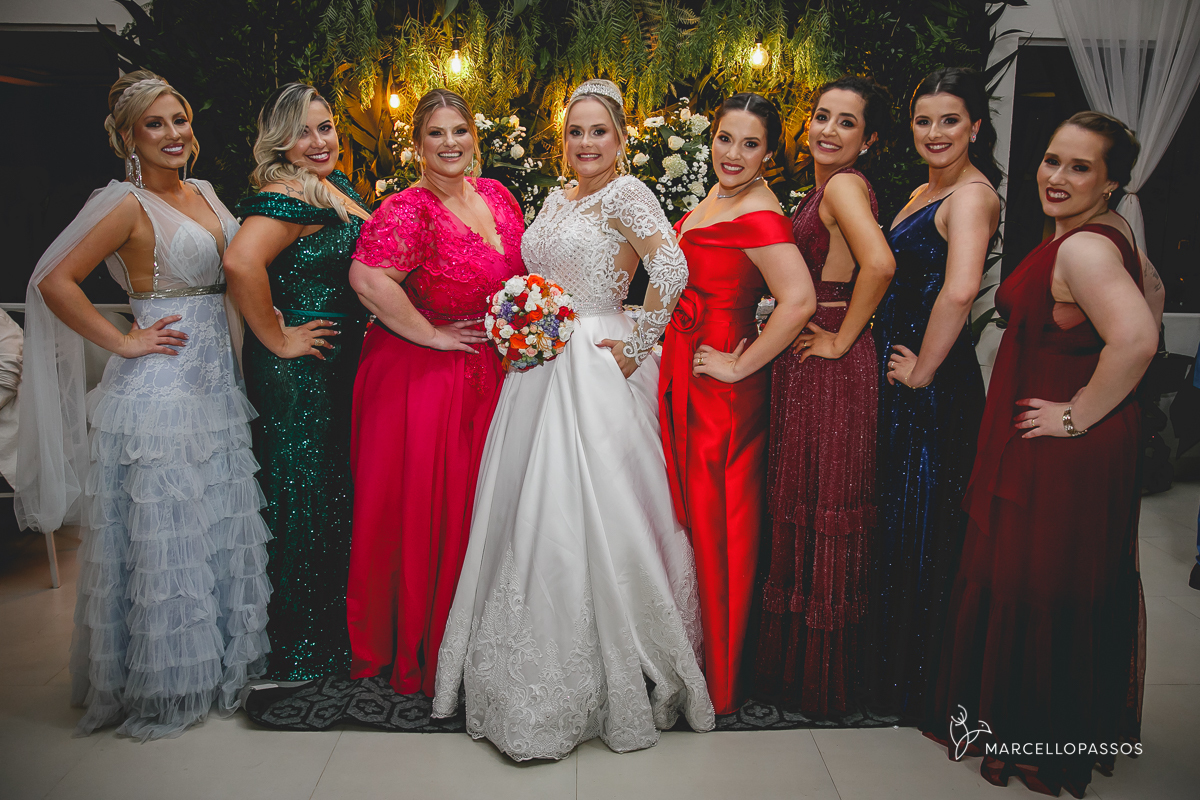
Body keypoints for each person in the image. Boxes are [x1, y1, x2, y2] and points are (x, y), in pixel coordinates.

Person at [432, 79, 714, 760]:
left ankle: (619, 665)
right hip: (538, 365)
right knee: (526, 505)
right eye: (575, 132)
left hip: (594, 360)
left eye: (598, 131)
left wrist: (639, 343)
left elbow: (670, 267)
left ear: (621, 140)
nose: (586, 143)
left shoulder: (627, 193)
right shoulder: (559, 197)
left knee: (593, 504)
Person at [16, 71, 271, 739]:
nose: (172, 133)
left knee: (214, 528)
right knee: (169, 544)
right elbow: (54, 281)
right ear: (128, 137)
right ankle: (167, 684)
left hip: (217, 387)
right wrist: (125, 342)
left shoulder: (205, 191)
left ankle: (219, 667)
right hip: (162, 393)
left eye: (179, 119)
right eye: (155, 124)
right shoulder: (125, 204)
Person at [928, 112, 1158, 798]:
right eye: (1053, 159)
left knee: (1040, 583)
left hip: (1060, 442)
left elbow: (1138, 338)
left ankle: (1033, 734)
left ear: (1111, 182)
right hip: (1072, 434)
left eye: (1080, 167)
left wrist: (1077, 413)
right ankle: (1054, 722)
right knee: (1061, 581)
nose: (1056, 177)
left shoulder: (1084, 249)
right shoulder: (1107, 233)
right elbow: (1154, 293)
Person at [345, 89, 526, 697]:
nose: (451, 144)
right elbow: (368, 279)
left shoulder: (497, 196)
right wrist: (430, 333)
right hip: (424, 377)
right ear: (417, 145)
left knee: (481, 506)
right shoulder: (407, 210)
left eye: (459, 131)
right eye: (436, 134)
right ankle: (424, 643)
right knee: (429, 510)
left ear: (475, 136)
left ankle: (482, 639)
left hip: (489, 371)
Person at [659, 92, 815, 715]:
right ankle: (698, 655)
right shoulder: (719, 198)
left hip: (721, 385)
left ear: (769, 153)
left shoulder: (760, 214)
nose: (734, 153)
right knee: (697, 517)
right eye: (726, 138)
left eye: (751, 144)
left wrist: (741, 364)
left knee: (722, 521)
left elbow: (798, 300)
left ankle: (721, 678)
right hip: (690, 370)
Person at [754, 76, 895, 718]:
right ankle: (802, 668)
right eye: (821, 116)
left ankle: (818, 675)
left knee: (823, 496)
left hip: (829, 361)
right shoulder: (824, 187)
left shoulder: (842, 186)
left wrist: (841, 340)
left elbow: (880, 264)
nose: (828, 130)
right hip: (811, 353)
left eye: (846, 122)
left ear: (869, 140)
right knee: (808, 495)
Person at [864, 67, 1001, 722]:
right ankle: (892, 667)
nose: (935, 132)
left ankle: (919, 680)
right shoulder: (925, 190)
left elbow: (961, 288)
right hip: (902, 375)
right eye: (924, 121)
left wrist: (924, 371)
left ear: (976, 126)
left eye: (950, 120)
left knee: (925, 521)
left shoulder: (972, 196)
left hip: (932, 384)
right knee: (898, 515)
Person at [224, 83, 371, 680]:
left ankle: (328, 629)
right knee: (303, 494)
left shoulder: (330, 188)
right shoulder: (285, 195)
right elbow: (240, 262)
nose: (318, 141)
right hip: (299, 370)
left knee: (328, 490)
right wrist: (278, 338)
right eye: (302, 132)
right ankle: (301, 643)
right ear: (279, 141)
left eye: (325, 127)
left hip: (331, 364)